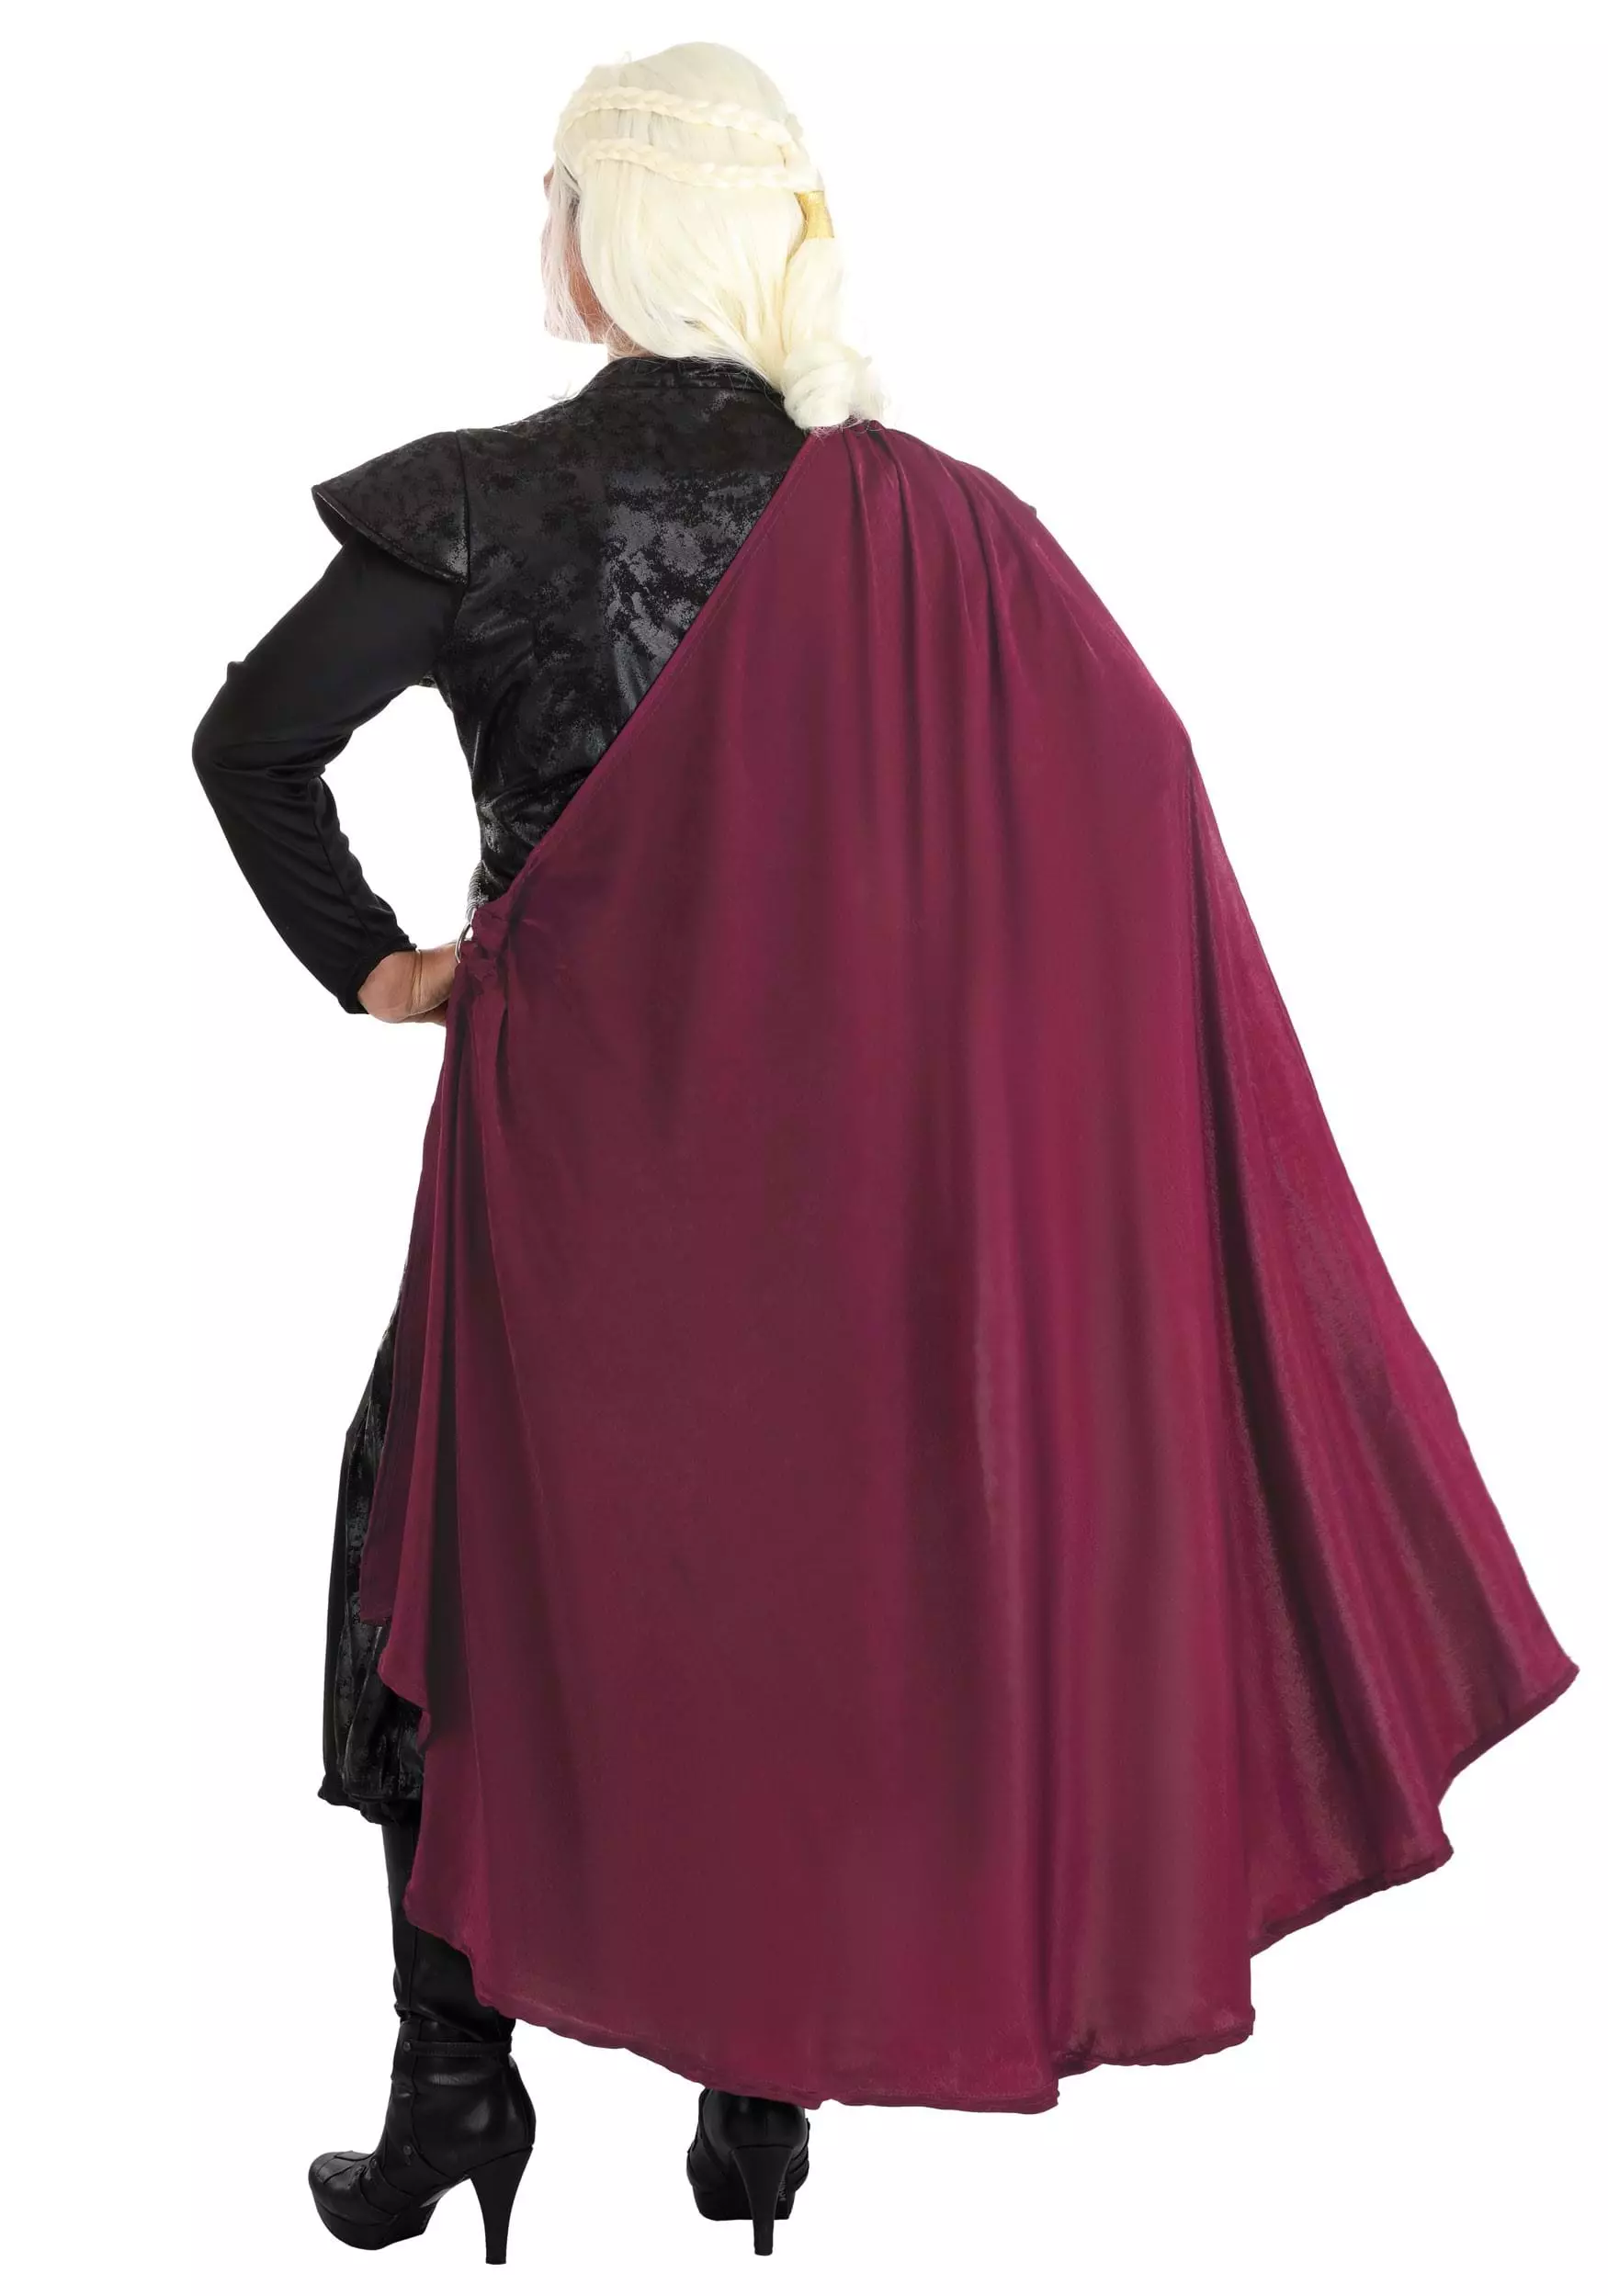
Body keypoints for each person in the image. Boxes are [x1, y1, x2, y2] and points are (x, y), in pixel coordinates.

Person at [192, 40, 1579, 2268]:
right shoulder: (944, 527)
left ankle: (450, 2087)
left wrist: (381, 968)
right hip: (835, 1206)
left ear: (617, 231)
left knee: (429, 1554)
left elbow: (249, 739)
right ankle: (756, 2102)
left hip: (563, 1193)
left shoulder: (477, 506)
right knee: (782, 1596)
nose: (539, 230)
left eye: (554, 194)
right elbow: (1128, 801)